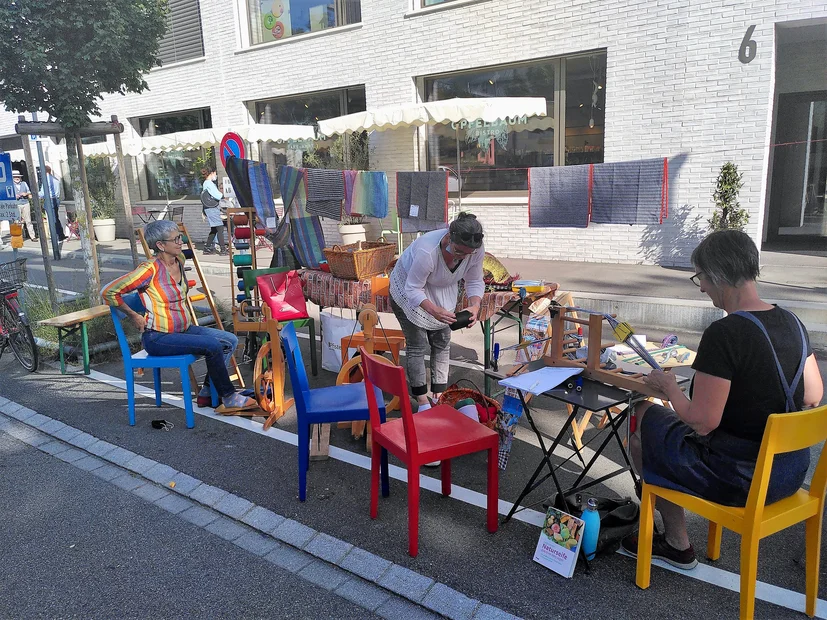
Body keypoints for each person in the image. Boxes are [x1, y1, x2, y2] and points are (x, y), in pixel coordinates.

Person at [621, 229, 823, 569]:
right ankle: (667, 530)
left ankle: (675, 540)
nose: (700, 287)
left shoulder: (725, 333)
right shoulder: (792, 321)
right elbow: (813, 397)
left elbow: (702, 421)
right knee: (666, 428)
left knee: (643, 418)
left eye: (700, 277)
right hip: (789, 473)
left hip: (739, 478)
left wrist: (669, 387)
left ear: (717, 275)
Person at [102, 220, 256, 413]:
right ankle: (229, 396)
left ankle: (207, 392)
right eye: (175, 239)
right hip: (158, 337)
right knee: (213, 346)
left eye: (180, 237)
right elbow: (109, 292)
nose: (180, 242)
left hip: (183, 329)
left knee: (229, 340)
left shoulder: (180, 260)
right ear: (160, 245)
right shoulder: (149, 270)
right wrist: (133, 315)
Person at [389, 212, 485, 412]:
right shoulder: (427, 251)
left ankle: (439, 395)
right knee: (417, 344)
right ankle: (422, 400)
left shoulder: (474, 250)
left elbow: (474, 280)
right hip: (409, 288)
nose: (463, 257)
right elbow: (413, 289)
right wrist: (433, 310)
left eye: (468, 254)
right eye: (459, 251)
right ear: (449, 237)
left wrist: (475, 305)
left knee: (442, 341)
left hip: (440, 287)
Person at [200, 167, 226, 255]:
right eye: (215, 173)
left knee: (214, 229)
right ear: (212, 173)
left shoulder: (206, 183)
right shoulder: (209, 183)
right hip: (212, 208)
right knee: (220, 228)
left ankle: (207, 248)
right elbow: (217, 195)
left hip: (209, 208)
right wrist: (225, 195)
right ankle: (223, 250)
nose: (216, 175)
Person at [38, 165, 65, 242]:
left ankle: (55, 237)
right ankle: (60, 235)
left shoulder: (46, 180)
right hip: (56, 199)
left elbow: (42, 193)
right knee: (56, 218)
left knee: (52, 219)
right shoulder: (55, 179)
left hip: (49, 200)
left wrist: (33, 193)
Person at [12, 170, 35, 241]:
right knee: (17, 221)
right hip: (16, 204)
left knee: (28, 220)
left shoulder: (24, 183)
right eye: (15, 177)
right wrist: (14, 196)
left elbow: (29, 192)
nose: (17, 178)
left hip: (25, 203)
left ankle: (32, 236)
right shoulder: (11, 185)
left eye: (18, 176)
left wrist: (26, 194)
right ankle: (18, 237)